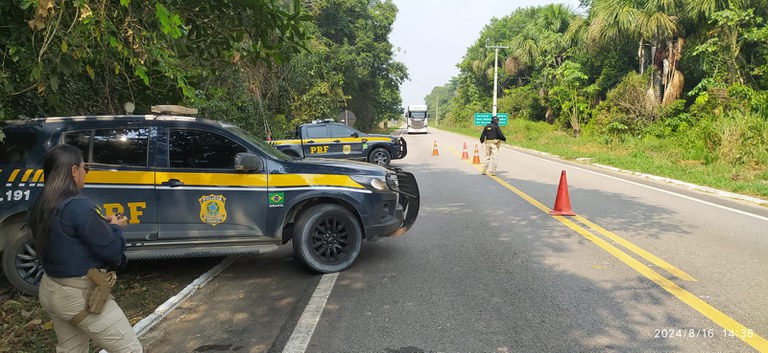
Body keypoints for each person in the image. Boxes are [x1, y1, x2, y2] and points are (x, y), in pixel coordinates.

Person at [28, 144, 143, 353]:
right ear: (73, 170)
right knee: (130, 349)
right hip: (80, 297)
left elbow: (66, 237)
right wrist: (116, 228)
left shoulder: (41, 204)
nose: (85, 173)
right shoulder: (78, 206)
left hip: (51, 290)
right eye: (84, 167)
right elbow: (112, 250)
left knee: (72, 350)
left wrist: (101, 224)